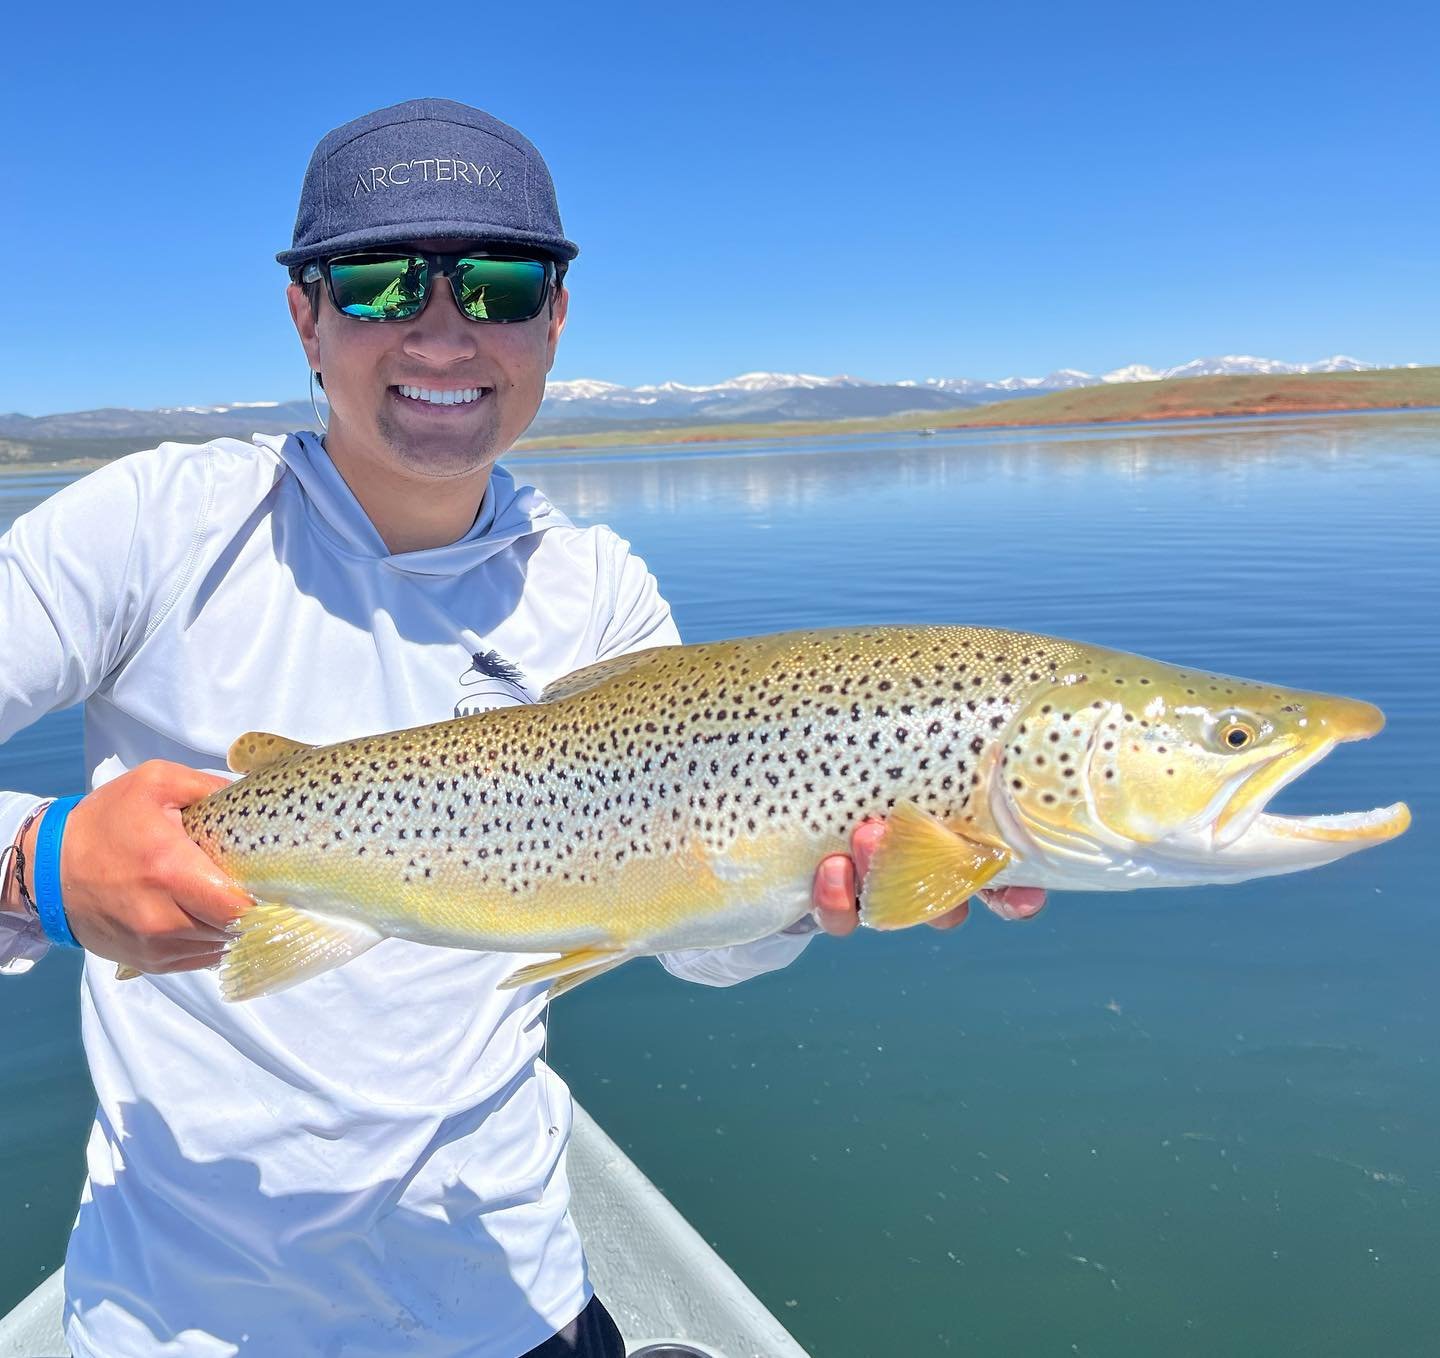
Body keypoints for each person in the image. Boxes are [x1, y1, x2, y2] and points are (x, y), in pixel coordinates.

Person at [0, 99, 1043, 1357]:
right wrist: (40, 865)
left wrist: (806, 889)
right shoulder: (155, 524)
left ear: (554, 320)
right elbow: (42, 862)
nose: (443, 330)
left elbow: (695, 943)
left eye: (498, 283)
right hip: (183, 1319)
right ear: (305, 316)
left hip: (513, 1300)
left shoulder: (602, 594)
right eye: (381, 283)